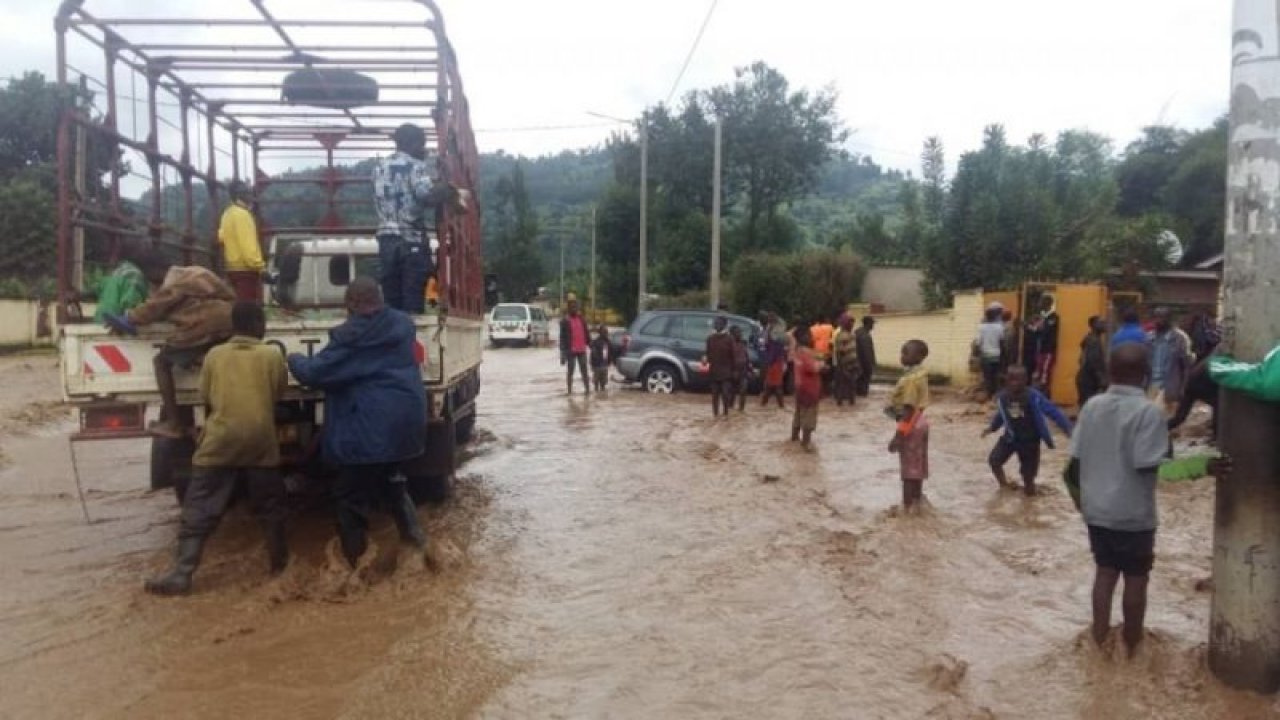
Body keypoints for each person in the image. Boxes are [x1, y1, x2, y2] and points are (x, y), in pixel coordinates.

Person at [144, 302, 289, 596]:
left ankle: (182, 574)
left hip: (219, 441)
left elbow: (206, 394)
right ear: (260, 326)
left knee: (199, 508)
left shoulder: (214, 355)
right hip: (261, 441)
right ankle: (280, 570)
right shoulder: (272, 355)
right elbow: (278, 393)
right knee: (272, 508)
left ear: (233, 326)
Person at [287, 278, 429, 568]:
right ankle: (420, 549)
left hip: (369, 430)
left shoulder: (353, 337)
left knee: (348, 496)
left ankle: (356, 567)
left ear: (350, 305)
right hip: (407, 422)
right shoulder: (402, 325)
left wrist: (293, 358)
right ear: (380, 299)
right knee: (393, 482)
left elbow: (314, 373)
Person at [1069, 343, 1171, 655]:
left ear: (1110, 372)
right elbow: (1150, 462)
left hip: (1098, 512)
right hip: (1133, 515)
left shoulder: (1091, 407)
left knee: (1105, 573)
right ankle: (1132, 645)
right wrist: (1201, 466)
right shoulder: (1149, 412)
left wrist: (1083, 505)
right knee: (1136, 580)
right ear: (1145, 375)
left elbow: (1072, 466)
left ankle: (1099, 640)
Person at [103, 260, 236, 439]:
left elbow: (156, 306)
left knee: (161, 362)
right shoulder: (201, 272)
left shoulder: (176, 280)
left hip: (203, 323)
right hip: (229, 322)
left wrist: (130, 319)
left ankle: (174, 424)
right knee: (206, 358)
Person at [372, 123, 458, 314]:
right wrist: (446, 187)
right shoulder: (416, 166)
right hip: (410, 240)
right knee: (413, 300)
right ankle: (411, 340)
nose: (423, 149)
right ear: (412, 143)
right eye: (421, 144)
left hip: (386, 240)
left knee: (392, 299)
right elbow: (426, 195)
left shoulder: (379, 168)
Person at [982, 366, 1073, 496]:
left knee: (1028, 476)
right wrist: (992, 428)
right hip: (1010, 438)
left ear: (1025, 381)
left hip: (1030, 441)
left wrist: (1068, 429)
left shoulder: (1033, 396)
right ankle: (1004, 486)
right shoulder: (1003, 397)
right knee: (994, 460)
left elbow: (1053, 411)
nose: (1014, 383)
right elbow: (1002, 415)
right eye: (1011, 379)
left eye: (1018, 380)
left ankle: (1030, 500)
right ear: (1006, 380)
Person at [887, 340, 931, 511]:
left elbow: (908, 409)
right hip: (921, 422)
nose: (902, 356)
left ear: (920, 357)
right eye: (902, 352)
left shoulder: (911, 380)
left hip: (911, 424)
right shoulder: (920, 374)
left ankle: (906, 508)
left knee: (908, 469)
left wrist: (898, 436)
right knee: (917, 464)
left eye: (906, 353)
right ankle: (917, 499)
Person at [217, 181, 264, 303]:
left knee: (238, 307)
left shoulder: (226, 214)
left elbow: (221, 238)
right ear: (240, 195)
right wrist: (260, 267)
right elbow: (248, 246)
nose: (251, 197)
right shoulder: (243, 215)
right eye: (247, 193)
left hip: (232, 269)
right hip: (246, 270)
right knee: (249, 309)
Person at [1148, 307, 1193, 414]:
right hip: (1151, 386)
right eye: (1156, 317)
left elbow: (1187, 366)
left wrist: (1183, 388)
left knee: (1162, 419)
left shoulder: (1180, 338)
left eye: (1162, 317)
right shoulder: (1149, 338)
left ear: (1169, 319)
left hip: (1169, 387)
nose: (1159, 321)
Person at [791, 326, 822, 448]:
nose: (811, 338)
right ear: (803, 337)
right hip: (810, 389)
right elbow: (813, 368)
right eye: (809, 335)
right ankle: (806, 443)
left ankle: (794, 438)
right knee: (809, 415)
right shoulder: (807, 353)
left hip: (799, 388)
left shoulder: (797, 352)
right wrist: (823, 366)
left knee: (798, 413)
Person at [1024, 295, 1060, 392]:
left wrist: (1032, 328)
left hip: (1048, 349)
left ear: (1048, 304)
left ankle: (1044, 394)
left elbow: (1044, 330)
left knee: (1045, 374)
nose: (1040, 304)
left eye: (1042, 302)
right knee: (1039, 372)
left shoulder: (1053, 317)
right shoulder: (1042, 316)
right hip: (1040, 349)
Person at [559, 298, 591, 395]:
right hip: (571, 350)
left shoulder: (582, 319)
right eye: (572, 307)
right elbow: (562, 338)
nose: (574, 309)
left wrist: (591, 345)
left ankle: (587, 390)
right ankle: (569, 391)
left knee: (584, 370)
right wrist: (562, 353)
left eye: (575, 307)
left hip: (582, 349)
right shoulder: (565, 321)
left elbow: (586, 333)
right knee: (570, 371)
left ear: (578, 308)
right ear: (568, 309)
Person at [706, 315, 736, 417]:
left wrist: (734, 371)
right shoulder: (710, 339)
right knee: (714, 395)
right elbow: (708, 355)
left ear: (724, 325)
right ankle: (715, 415)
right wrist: (705, 360)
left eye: (719, 323)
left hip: (726, 372)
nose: (716, 325)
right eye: (715, 323)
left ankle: (726, 415)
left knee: (725, 394)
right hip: (714, 371)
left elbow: (734, 356)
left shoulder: (730, 339)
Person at [1076, 315, 1108, 408]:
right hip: (1089, 380)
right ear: (1093, 325)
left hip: (1085, 378)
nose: (1104, 325)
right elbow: (1093, 363)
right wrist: (1102, 380)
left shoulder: (1090, 339)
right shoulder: (1093, 341)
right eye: (1101, 323)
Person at [975, 305, 1006, 399]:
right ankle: (995, 395)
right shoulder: (1000, 327)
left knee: (987, 376)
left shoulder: (981, 328)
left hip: (985, 356)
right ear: (995, 316)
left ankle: (988, 394)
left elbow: (978, 342)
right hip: (997, 355)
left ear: (986, 316)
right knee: (995, 376)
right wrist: (1003, 355)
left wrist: (978, 354)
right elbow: (1002, 342)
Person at [760, 312, 788, 409]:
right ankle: (779, 406)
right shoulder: (773, 329)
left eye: (769, 318)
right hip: (776, 360)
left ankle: (779, 406)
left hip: (775, 361)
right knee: (771, 385)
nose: (768, 320)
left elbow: (775, 349)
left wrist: (769, 361)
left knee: (774, 385)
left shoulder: (775, 332)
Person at [832, 313, 860, 407]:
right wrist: (842, 367)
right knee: (842, 385)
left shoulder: (851, 335)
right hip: (844, 364)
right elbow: (839, 352)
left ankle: (851, 403)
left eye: (852, 323)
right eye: (850, 323)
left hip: (853, 363)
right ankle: (840, 403)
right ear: (845, 324)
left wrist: (857, 363)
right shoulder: (840, 336)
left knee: (852, 385)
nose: (852, 325)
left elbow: (854, 350)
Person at [730, 325, 751, 412]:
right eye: (738, 333)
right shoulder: (729, 345)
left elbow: (747, 357)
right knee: (732, 393)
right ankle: (729, 408)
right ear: (733, 334)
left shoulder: (743, 344)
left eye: (740, 332)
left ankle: (741, 411)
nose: (740, 334)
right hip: (733, 371)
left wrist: (750, 370)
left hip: (743, 371)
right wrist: (732, 371)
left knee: (743, 391)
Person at [854, 316, 877, 397]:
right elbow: (866, 352)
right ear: (868, 324)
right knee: (863, 389)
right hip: (863, 365)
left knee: (857, 387)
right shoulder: (865, 336)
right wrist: (871, 365)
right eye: (872, 324)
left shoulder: (857, 332)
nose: (873, 326)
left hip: (857, 364)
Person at [589, 325, 612, 393]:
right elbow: (592, 354)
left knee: (603, 384)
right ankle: (597, 396)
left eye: (606, 332)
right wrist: (592, 365)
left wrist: (610, 362)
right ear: (600, 333)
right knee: (596, 384)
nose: (606, 333)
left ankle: (601, 397)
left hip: (605, 366)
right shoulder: (595, 342)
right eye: (604, 332)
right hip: (597, 366)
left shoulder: (608, 342)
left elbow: (611, 352)